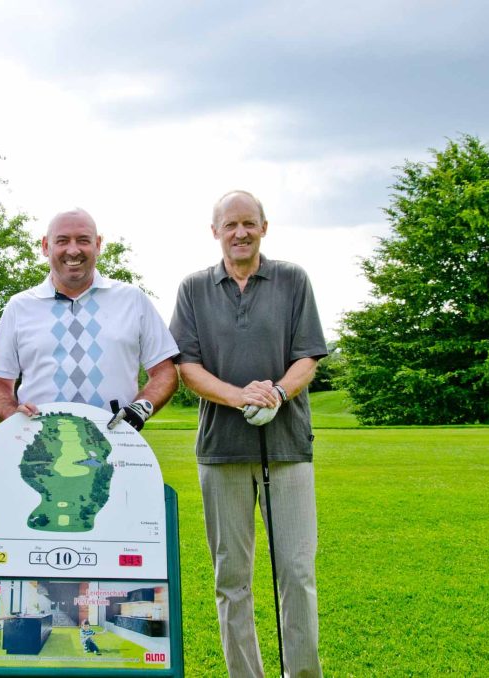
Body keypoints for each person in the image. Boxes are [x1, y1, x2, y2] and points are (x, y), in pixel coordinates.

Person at [169, 190, 327, 678]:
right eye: (230, 225)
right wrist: (241, 397)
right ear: (215, 231)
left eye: (249, 223)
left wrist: (275, 394)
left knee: (296, 573)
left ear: (264, 227)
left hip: (287, 447)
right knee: (231, 578)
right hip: (221, 450)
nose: (240, 233)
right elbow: (187, 368)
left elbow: (308, 358)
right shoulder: (193, 288)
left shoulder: (292, 279)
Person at [0, 208, 178, 428]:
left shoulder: (132, 299)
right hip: (38, 441)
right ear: (46, 246)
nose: (73, 250)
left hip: (117, 443)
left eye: (83, 240)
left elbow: (165, 372)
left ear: (98, 244)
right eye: (62, 241)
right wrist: (12, 416)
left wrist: (141, 408)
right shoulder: (19, 306)